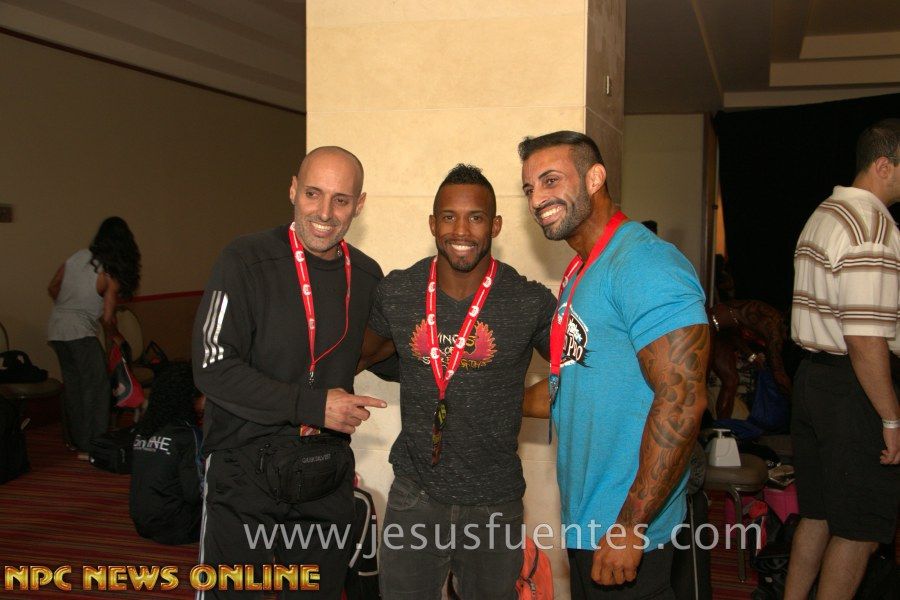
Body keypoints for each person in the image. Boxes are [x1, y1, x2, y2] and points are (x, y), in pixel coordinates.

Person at [518, 131, 709, 599]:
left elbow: (682, 400)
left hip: (625, 526)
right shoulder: (582, 270)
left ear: (595, 178)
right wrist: (486, 402)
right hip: (588, 519)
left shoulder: (644, 263)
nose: (537, 199)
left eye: (550, 180)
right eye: (529, 188)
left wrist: (630, 526)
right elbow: (573, 385)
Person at [191, 146, 388, 599]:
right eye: (313, 194)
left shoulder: (366, 275)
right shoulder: (245, 259)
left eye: (341, 199)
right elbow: (213, 366)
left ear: (359, 205)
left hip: (324, 470)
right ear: (293, 190)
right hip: (243, 467)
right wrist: (313, 405)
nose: (325, 212)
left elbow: (379, 354)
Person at [358, 164, 557, 600]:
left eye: (476, 217)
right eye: (449, 217)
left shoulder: (528, 301)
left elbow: (579, 372)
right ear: (433, 224)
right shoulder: (399, 291)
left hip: (495, 503)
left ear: (495, 226)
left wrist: (520, 401)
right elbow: (360, 356)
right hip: (415, 497)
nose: (461, 230)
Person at [785, 119, 900, 600]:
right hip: (851, 387)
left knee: (819, 514)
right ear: (883, 165)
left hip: (812, 378)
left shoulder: (825, 213)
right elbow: (865, 338)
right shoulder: (871, 225)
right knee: (860, 529)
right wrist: (890, 418)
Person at [47, 216, 141, 456]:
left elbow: (53, 286)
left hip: (57, 329)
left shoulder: (78, 257)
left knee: (74, 387)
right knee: (97, 388)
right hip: (80, 333)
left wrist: (68, 306)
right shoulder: (110, 272)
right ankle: (95, 444)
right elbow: (108, 318)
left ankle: (75, 439)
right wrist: (115, 336)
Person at [130, 361, 203, 545]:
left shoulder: (144, 429)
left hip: (141, 522)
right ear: (190, 398)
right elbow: (195, 492)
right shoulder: (187, 435)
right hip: (176, 527)